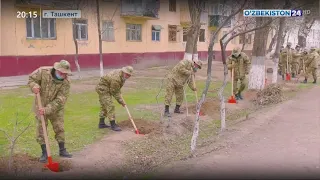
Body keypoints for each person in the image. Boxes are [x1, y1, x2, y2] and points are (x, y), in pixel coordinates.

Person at [28, 60, 73, 163]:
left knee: (59, 128)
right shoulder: (43, 72)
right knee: (41, 130)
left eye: (65, 73)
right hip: (40, 105)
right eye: (61, 72)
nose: (63, 75)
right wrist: (33, 86)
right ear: (56, 69)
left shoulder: (66, 82)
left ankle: (62, 150)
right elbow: (31, 79)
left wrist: (47, 109)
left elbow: (61, 99)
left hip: (56, 108)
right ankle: (44, 153)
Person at [96, 66, 134, 131]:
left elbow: (117, 88)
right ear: (124, 72)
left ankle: (101, 124)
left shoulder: (121, 75)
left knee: (104, 106)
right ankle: (113, 125)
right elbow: (114, 92)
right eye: (127, 74)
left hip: (108, 87)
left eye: (129, 75)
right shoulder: (116, 78)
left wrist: (118, 91)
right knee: (110, 106)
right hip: (103, 89)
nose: (128, 76)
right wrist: (121, 101)